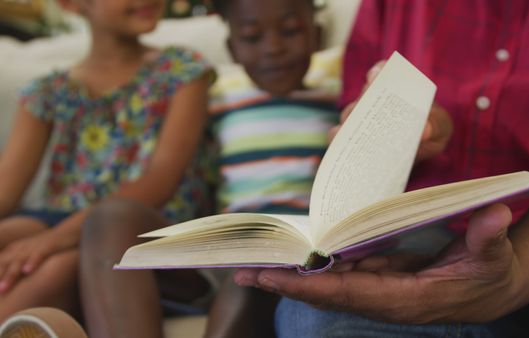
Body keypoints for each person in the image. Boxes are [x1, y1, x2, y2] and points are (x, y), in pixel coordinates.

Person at [234, 0, 529, 337]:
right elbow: (364, 116)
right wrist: (404, 136)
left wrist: (520, 275)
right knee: (321, 317)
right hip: (418, 231)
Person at [78, 0, 339, 337]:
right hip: (218, 253)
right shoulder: (219, 104)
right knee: (111, 217)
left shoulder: (337, 104)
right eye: (252, 37)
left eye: (290, 31)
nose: (273, 49)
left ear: (316, 36)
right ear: (232, 48)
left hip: (293, 259)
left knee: (251, 273)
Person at [0, 0, 213, 323]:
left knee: (61, 264)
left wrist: (54, 240)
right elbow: (5, 191)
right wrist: (49, 235)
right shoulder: (47, 92)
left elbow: (160, 180)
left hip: (140, 230)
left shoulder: (182, 71)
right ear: (70, 3)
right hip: (59, 216)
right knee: (13, 231)